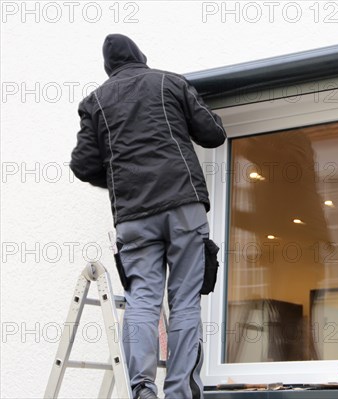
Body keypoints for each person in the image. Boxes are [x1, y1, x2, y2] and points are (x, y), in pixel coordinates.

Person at [70, 34, 226, 399]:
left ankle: (141, 389)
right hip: (183, 204)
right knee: (185, 300)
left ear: (109, 69)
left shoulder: (95, 103)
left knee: (143, 298)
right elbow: (214, 134)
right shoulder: (169, 82)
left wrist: (118, 180)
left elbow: (82, 164)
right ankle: (180, 391)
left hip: (134, 216)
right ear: (141, 56)